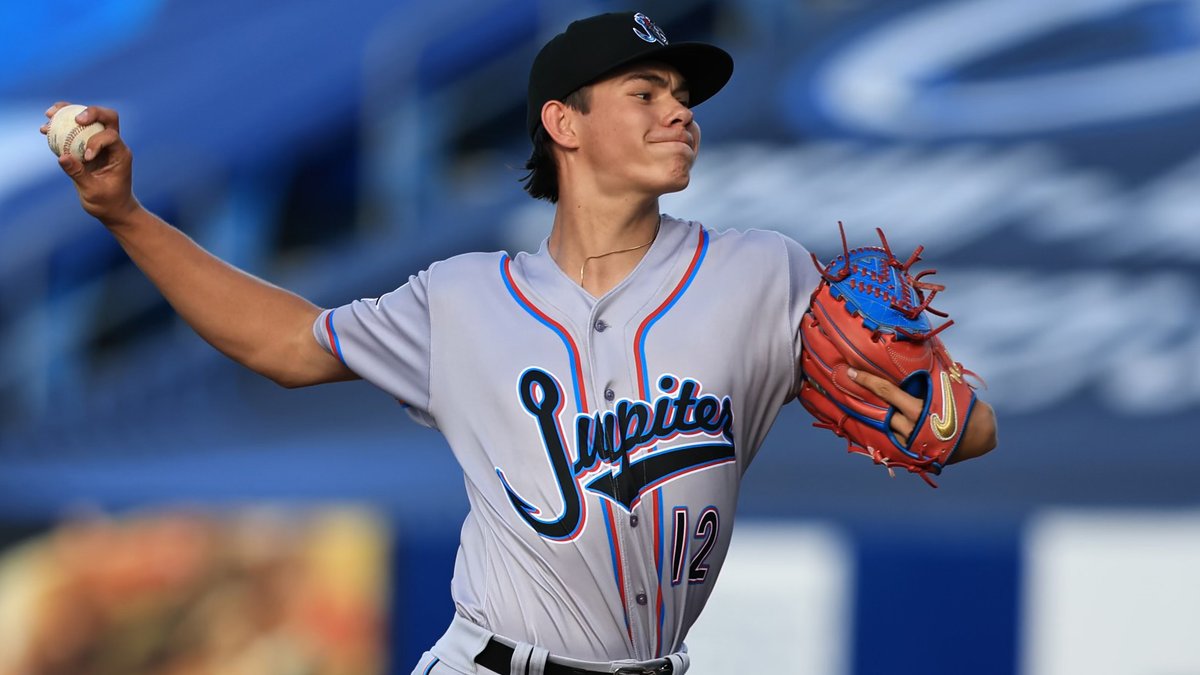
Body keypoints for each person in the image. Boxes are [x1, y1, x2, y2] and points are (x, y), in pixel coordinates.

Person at [43, 11, 997, 675]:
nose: (680, 110)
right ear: (562, 122)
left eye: (683, 94)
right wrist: (126, 215)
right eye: (646, 90)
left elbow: (963, 427)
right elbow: (290, 344)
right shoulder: (463, 297)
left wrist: (943, 412)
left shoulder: (763, 273)